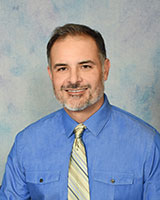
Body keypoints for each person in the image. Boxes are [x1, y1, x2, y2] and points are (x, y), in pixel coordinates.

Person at [0, 23, 160, 200]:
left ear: (105, 69)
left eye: (85, 66)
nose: (74, 80)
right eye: (62, 68)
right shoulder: (26, 144)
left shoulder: (147, 143)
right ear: (51, 74)